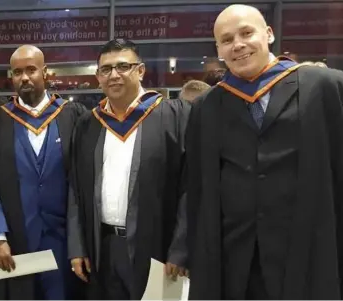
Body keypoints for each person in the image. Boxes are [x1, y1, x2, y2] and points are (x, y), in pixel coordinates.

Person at [187, 5, 343, 299]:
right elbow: (198, 189)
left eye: (247, 33)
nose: (239, 45)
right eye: (227, 39)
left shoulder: (325, 88)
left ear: (268, 34)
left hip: (309, 250)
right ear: (219, 47)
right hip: (236, 261)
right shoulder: (205, 108)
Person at [67, 38, 189, 299]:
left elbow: (189, 188)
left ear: (140, 70)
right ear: (98, 77)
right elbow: (75, 190)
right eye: (106, 69)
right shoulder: (89, 123)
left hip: (157, 246)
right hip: (102, 246)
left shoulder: (173, 116)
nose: (114, 75)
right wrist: (77, 247)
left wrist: (180, 249)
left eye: (123, 66)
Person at [0, 45, 86, 299]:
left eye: (31, 70)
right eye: (17, 72)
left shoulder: (74, 117)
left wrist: (81, 243)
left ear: (45, 72)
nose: (24, 77)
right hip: (16, 241)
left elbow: (84, 183)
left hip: (63, 243)